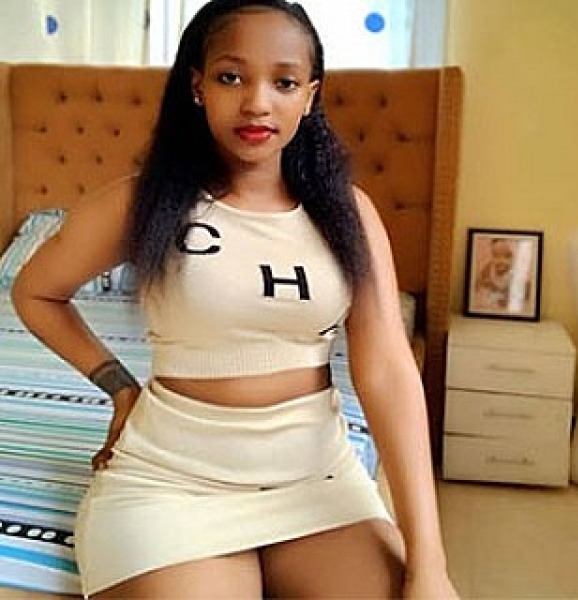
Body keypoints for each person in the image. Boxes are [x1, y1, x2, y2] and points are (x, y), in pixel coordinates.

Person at [11, 1, 459, 598]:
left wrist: (430, 562)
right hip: (171, 487)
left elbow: (390, 373)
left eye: (284, 82)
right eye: (231, 77)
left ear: (310, 96)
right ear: (198, 86)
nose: (257, 103)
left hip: (318, 485)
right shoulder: (144, 202)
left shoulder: (348, 213)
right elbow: (35, 290)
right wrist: (119, 386)